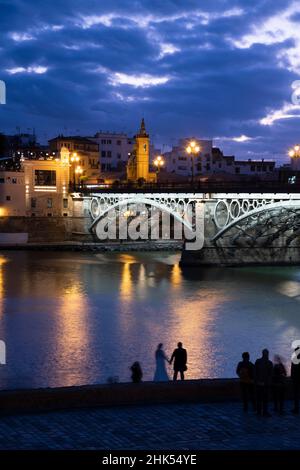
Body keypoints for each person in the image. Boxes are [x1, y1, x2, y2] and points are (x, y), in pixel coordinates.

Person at [254, 349, 273, 417]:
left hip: (260, 383)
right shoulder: (269, 363)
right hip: (265, 384)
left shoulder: (258, 361)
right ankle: (264, 411)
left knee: (260, 398)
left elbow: (255, 373)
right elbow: (271, 374)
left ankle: (259, 411)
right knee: (264, 398)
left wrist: (256, 381)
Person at [291, 346, 300, 414]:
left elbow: (292, 370)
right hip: (296, 379)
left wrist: (292, 378)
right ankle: (296, 408)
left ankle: (296, 408)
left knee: (296, 395)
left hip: (295, 380)